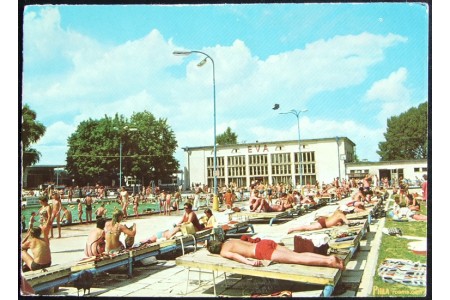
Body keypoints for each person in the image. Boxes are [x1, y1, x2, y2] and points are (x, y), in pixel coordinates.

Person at [206, 238, 344, 270]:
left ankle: (329, 262)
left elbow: (236, 256)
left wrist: (249, 262)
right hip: (264, 243)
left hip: (261, 251)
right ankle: (328, 258)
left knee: (297, 259)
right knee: (296, 254)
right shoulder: (229, 240)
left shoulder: (224, 251)